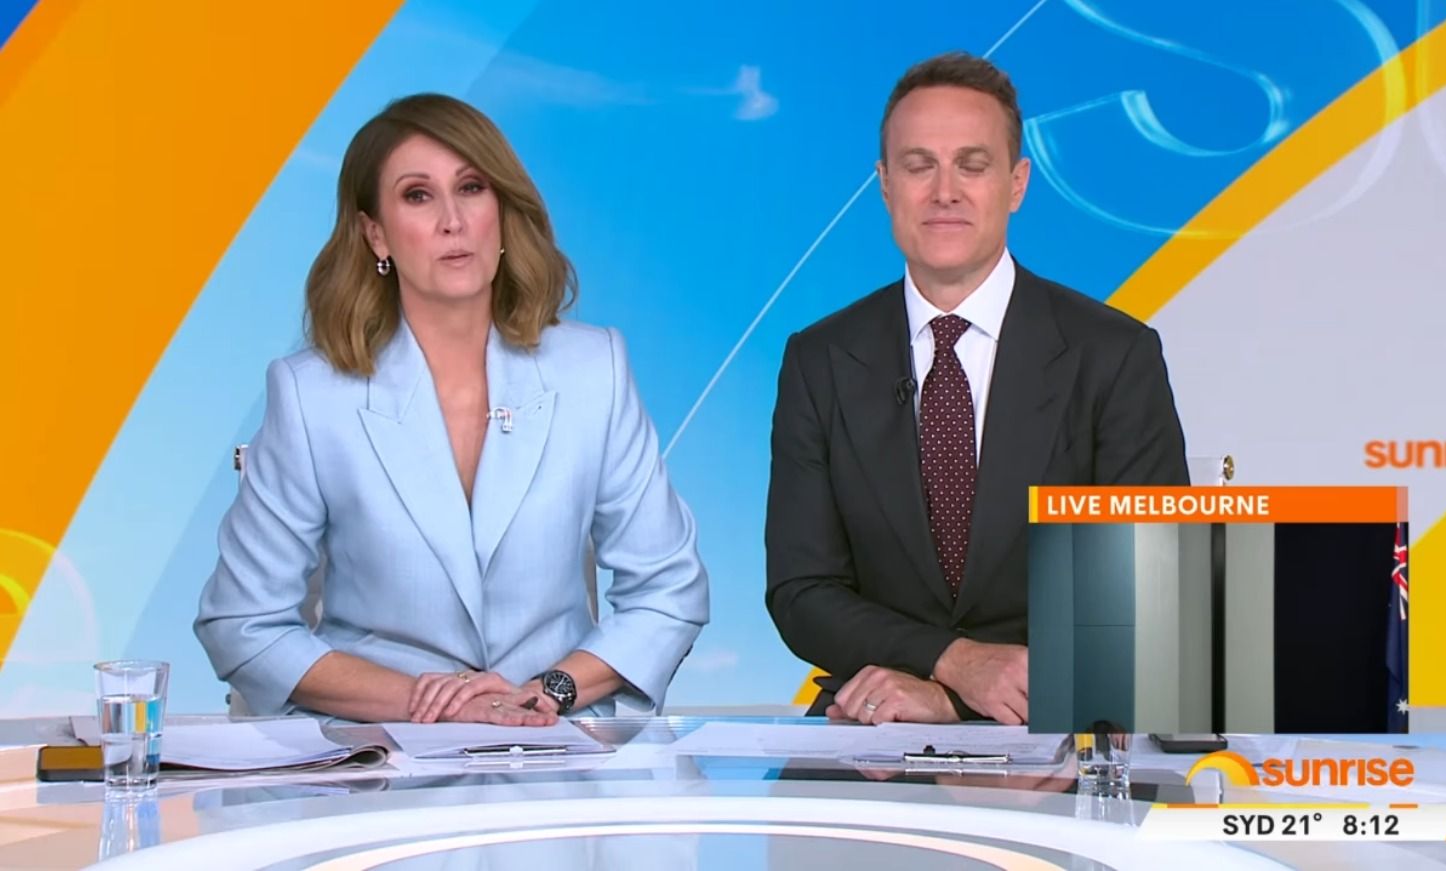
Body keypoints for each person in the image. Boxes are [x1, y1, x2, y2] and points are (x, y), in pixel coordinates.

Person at [196, 94, 709, 724]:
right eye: (418, 195)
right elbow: (243, 624)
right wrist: (434, 703)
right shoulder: (312, 396)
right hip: (379, 748)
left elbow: (668, 590)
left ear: (502, 211)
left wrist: (548, 692)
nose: (452, 221)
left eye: (471, 188)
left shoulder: (592, 369)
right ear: (376, 233)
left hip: (556, 741)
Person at [765, 53, 1187, 726]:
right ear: (884, 184)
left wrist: (955, 699)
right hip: (873, 729)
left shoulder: (1113, 355)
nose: (945, 191)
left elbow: (1147, 594)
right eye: (918, 165)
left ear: (1016, 184)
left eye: (972, 164)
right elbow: (801, 591)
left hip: (1063, 722)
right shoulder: (819, 360)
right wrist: (953, 660)